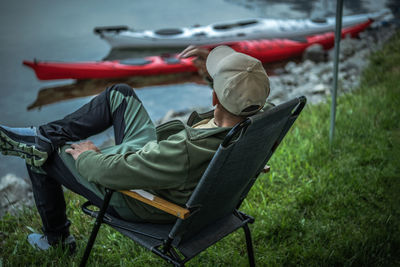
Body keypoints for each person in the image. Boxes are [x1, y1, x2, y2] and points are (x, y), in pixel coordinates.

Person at [0, 45, 270, 252]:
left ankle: (56, 240)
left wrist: (87, 157)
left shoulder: (186, 150)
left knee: (39, 154)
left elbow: (114, 173)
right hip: (161, 166)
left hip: (144, 200)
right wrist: (214, 70)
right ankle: (44, 136)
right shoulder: (262, 118)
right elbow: (238, 95)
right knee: (119, 94)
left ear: (214, 97)